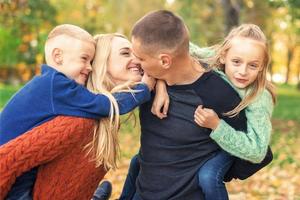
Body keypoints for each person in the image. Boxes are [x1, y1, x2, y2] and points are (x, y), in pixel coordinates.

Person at [0, 25, 154, 200]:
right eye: (126, 53)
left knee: (137, 164)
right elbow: (105, 105)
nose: (88, 67)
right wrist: (145, 88)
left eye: (90, 61)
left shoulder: (59, 90)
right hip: (16, 186)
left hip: (27, 177)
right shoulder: (60, 94)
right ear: (57, 56)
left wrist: (160, 85)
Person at [126, 10, 248, 200]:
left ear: (165, 60)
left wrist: (212, 173)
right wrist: (160, 84)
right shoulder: (147, 81)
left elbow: (256, 152)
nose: (135, 62)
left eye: (141, 58)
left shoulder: (217, 92)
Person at [192, 24, 276, 199]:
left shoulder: (259, 98)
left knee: (208, 176)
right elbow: (182, 48)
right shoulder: (214, 58)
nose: (243, 71)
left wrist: (217, 126)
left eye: (253, 65)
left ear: (261, 67)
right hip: (202, 141)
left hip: (233, 144)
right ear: (223, 56)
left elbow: (257, 151)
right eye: (236, 62)